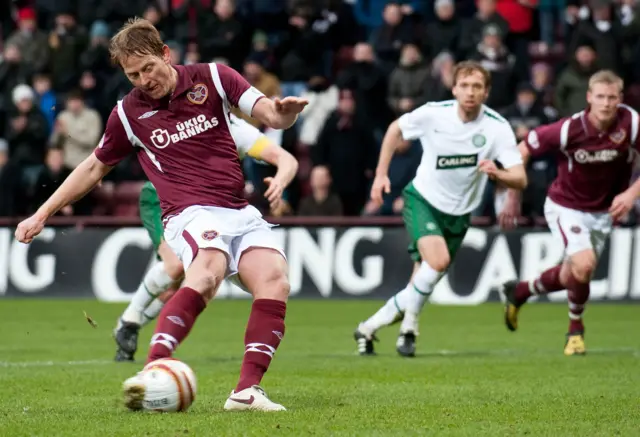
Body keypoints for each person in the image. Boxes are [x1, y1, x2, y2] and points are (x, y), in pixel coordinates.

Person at [14, 18, 308, 412]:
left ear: (165, 54)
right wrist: (42, 213)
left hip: (237, 209)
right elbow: (93, 167)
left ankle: (246, 391)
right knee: (207, 271)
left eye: (147, 68)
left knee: (275, 280)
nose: (142, 80)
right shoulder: (128, 112)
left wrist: (285, 115)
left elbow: (271, 116)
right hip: (188, 211)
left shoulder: (215, 78)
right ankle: (152, 369)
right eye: (132, 74)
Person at [353, 61, 527, 357]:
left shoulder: (497, 128)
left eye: (477, 87)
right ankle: (408, 328)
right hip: (423, 200)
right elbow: (395, 129)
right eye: (465, 85)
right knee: (438, 262)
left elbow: (520, 178)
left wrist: (498, 173)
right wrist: (382, 174)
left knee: (423, 280)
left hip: (460, 214)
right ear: (454, 88)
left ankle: (371, 327)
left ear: (486, 92)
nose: (470, 92)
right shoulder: (434, 114)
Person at [114, 113, 299, 362]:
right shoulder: (189, 118)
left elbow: (283, 158)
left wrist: (281, 179)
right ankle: (130, 320)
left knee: (185, 283)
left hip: (209, 211)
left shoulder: (236, 128)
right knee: (175, 266)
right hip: (164, 200)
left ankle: (134, 328)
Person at [498, 70, 640, 356]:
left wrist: (631, 193)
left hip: (603, 211)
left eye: (612, 97)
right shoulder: (568, 130)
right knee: (584, 265)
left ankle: (521, 291)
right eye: (600, 96)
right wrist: (514, 195)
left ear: (620, 99)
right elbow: (522, 149)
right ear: (589, 98)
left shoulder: (632, 123)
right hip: (566, 206)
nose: (606, 103)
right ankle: (576, 330)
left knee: (571, 274)